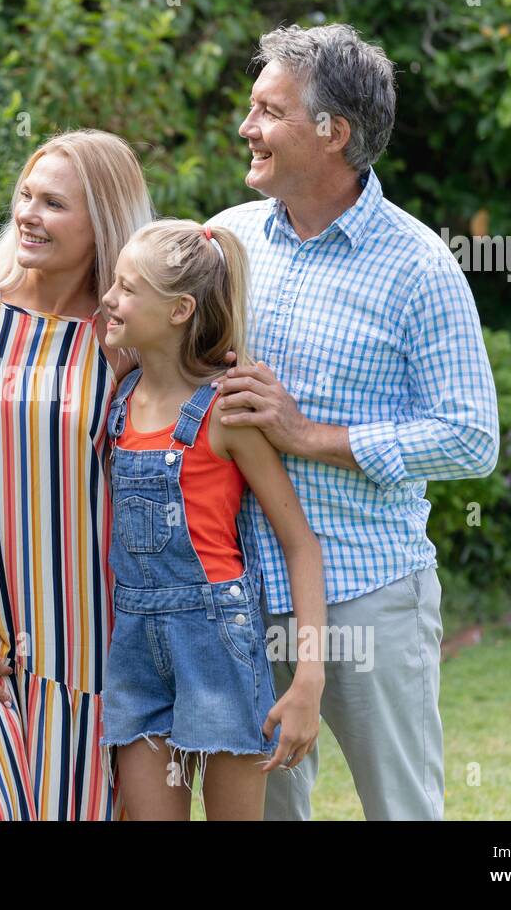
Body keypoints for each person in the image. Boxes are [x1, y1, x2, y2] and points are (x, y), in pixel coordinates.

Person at [210, 23, 500, 820]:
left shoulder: (420, 267)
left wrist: (308, 437)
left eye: (268, 111)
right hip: (250, 587)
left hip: (370, 592)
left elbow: (471, 435)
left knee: (401, 809)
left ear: (332, 132)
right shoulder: (229, 238)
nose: (248, 128)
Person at [0, 129, 154, 820]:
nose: (29, 214)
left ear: (102, 219)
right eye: (25, 195)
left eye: (54, 204)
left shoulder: (129, 341)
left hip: (93, 648)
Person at [97, 219, 326, 820]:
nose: (109, 299)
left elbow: (302, 545)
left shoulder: (226, 412)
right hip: (135, 650)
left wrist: (308, 679)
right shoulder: (115, 399)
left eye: (127, 289)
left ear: (180, 310)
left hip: (217, 644)